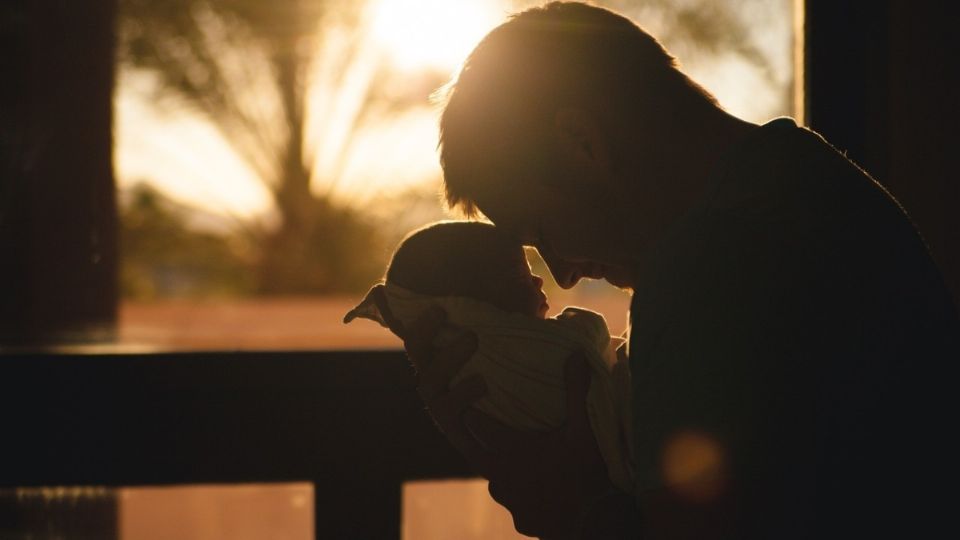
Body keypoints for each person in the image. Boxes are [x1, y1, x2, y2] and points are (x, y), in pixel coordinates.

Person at [403, 2, 960, 539]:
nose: (563, 276)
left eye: (542, 233)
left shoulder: (708, 267)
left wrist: (569, 505)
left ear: (582, 143)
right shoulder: (815, 184)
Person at [344, 221, 635, 493]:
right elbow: (588, 342)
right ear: (469, 308)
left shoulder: (466, 373)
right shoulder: (505, 355)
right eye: (518, 276)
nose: (543, 279)